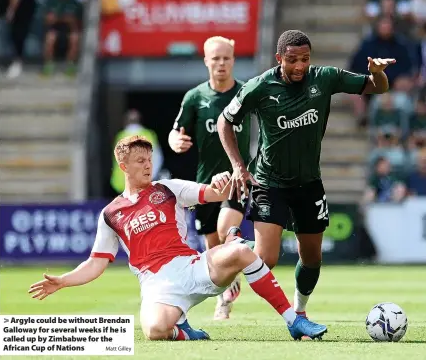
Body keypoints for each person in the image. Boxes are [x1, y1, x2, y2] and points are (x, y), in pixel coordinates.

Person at [28, 135, 327, 341]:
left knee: (244, 255)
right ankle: (183, 329)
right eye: (140, 161)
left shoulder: (166, 188)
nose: (147, 165)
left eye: (149, 159)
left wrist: (221, 182)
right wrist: (63, 281)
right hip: (157, 286)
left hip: (192, 266)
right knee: (154, 331)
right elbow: (96, 263)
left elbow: (212, 193)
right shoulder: (110, 213)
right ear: (124, 167)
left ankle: (294, 320)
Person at [217, 30, 395, 322]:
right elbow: (226, 121)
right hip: (269, 182)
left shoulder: (324, 78)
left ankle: (300, 309)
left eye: (305, 59)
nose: (299, 66)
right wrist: (239, 166)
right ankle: (237, 249)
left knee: (312, 258)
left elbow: (377, 88)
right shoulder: (259, 87)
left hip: (309, 182)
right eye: (292, 60)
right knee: (266, 260)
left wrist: (376, 73)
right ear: (279, 59)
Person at [168, 36, 252, 320]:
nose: (221, 63)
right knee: (212, 250)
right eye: (215, 58)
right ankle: (229, 289)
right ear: (206, 61)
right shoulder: (195, 97)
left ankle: (224, 300)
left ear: (233, 60)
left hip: (237, 180)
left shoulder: (245, 92)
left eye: (226, 58)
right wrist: (174, 142)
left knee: (226, 232)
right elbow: (176, 131)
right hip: (205, 183)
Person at [111, 109, 164, 194]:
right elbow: (158, 158)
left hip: (122, 184)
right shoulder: (148, 135)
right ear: (140, 120)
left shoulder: (120, 136)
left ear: (125, 121)